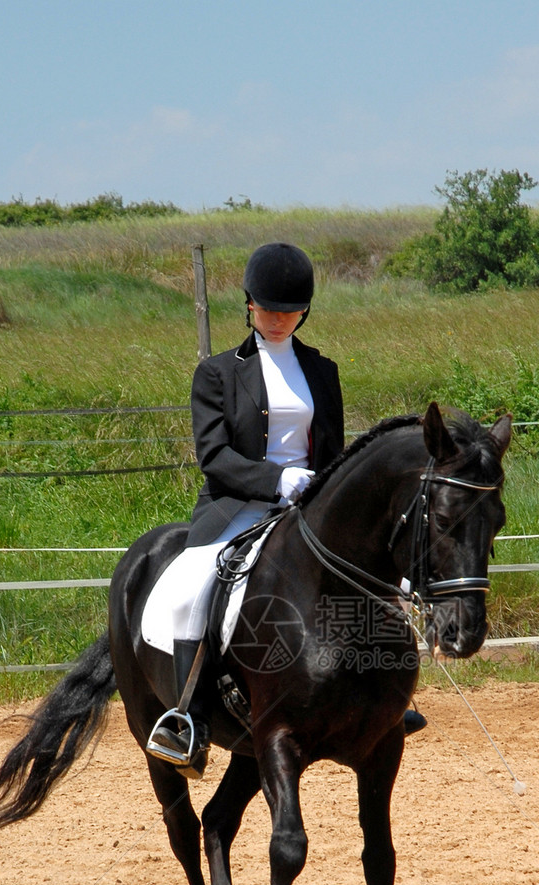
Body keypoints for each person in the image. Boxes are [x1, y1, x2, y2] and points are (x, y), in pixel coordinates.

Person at [146, 241, 425, 775]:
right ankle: (188, 721)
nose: (278, 321)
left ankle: (389, 701)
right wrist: (278, 479)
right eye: (269, 310)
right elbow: (214, 457)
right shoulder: (218, 374)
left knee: (378, 580)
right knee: (191, 589)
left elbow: (338, 452)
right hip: (237, 507)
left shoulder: (322, 370)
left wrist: (319, 488)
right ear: (249, 305)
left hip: (313, 510)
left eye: (290, 312)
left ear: (305, 311)